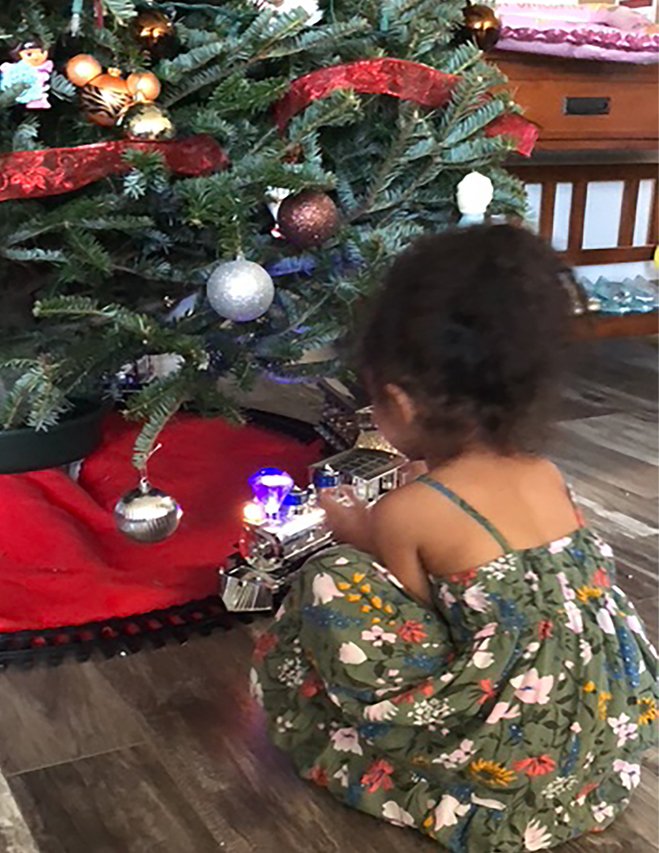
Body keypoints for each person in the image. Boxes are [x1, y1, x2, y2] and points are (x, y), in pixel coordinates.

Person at [251, 225, 657, 851]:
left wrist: (354, 529)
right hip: (600, 727)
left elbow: (414, 609)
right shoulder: (544, 472)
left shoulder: (408, 511)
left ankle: (365, 735)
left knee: (329, 577)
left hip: (508, 754)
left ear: (399, 403)